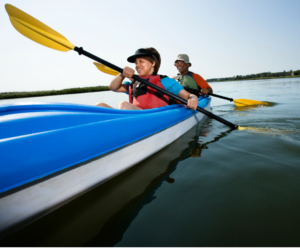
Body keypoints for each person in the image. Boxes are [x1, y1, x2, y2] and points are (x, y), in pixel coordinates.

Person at [96, 48, 199, 110]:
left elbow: (189, 95)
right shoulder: (134, 83)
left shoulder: (165, 81)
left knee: (123, 105)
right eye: (136, 63)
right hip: (135, 118)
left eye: (141, 61)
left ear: (153, 63)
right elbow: (113, 87)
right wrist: (122, 74)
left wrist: (193, 99)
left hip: (154, 118)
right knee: (99, 106)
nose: (137, 65)